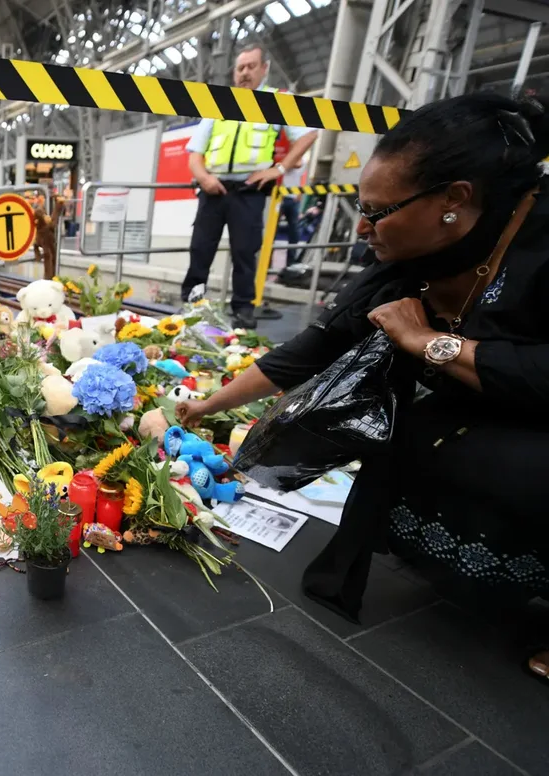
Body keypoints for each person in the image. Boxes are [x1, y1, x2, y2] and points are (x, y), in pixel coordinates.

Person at [175, 93, 549, 679]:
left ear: (454, 199)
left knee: (512, 468)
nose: (362, 226)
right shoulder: (408, 258)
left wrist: (427, 343)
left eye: (379, 212)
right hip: (478, 408)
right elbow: (313, 348)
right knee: (417, 442)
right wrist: (206, 406)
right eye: (361, 207)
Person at [183, 44, 318, 328]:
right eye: (240, 67)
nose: (244, 73)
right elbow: (195, 153)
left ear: (263, 69)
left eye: (251, 66)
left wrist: (278, 169)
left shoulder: (274, 101)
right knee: (200, 249)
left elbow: (308, 134)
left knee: (245, 251)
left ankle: (243, 309)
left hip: (248, 189)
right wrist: (204, 177)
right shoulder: (219, 103)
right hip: (213, 187)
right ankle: (191, 305)